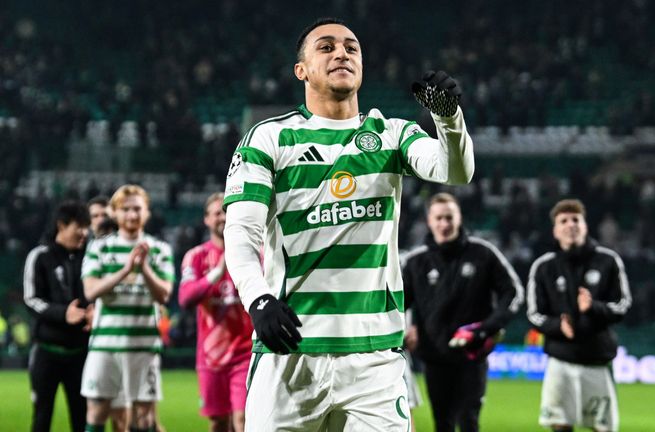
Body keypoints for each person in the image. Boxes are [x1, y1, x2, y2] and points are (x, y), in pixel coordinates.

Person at [222, 17, 474, 431]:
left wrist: (449, 120)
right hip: (291, 348)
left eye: (351, 47)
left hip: (374, 358)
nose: (342, 52)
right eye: (326, 47)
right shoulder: (269, 138)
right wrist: (259, 300)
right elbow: (241, 233)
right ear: (301, 70)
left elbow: (455, 170)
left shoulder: (392, 134)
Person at [401, 192, 523, 432]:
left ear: (459, 218)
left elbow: (513, 292)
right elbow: (397, 305)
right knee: (442, 424)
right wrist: (403, 332)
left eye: (449, 217)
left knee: (468, 421)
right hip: (434, 357)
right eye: (439, 218)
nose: (444, 224)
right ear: (429, 221)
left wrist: (487, 328)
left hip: (472, 356)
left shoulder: (483, 253)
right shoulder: (416, 262)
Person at [527, 199, 632, 432]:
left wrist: (594, 307)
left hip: (597, 361)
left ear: (585, 225)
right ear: (555, 230)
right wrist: (557, 326)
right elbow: (534, 313)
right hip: (560, 362)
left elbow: (623, 305)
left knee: (602, 428)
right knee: (559, 426)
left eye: (576, 219)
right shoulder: (543, 267)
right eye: (563, 221)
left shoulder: (608, 261)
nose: (570, 225)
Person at [80, 185, 174, 432]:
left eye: (137, 209)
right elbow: (90, 291)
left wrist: (143, 268)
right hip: (104, 346)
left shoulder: (160, 249)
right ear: (114, 213)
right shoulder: (99, 248)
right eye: (126, 209)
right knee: (97, 411)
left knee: (144, 418)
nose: (132, 215)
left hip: (144, 347)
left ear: (147, 213)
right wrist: (125, 270)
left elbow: (164, 295)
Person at [179, 192, 252, 432]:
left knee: (242, 421)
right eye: (217, 212)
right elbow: (185, 298)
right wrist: (216, 273)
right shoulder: (197, 256)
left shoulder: (253, 254)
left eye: (227, 210)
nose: (223, 216)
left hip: (245, 354)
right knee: (218, 422)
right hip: (211, 357)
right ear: (207, 220)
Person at [23, 200, 91, 432]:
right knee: (42, 418)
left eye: (86, 226)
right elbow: (31, 299)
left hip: (81, 354)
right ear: (61, 225)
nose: (84, 232)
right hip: (47, 353)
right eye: (79, 226)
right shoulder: (40, 256)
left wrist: (94, 311)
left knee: (82, 419)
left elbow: (98, 293)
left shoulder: (89, 258)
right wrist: (64, 314)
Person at [88, 195, 131, 432]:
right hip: (88, 344)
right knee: (93, 412)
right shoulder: (85, 254)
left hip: (118, 341)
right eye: (95, 216)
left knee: (121, 416)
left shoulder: (126, 250)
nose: (100, 220)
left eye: (104, 215)